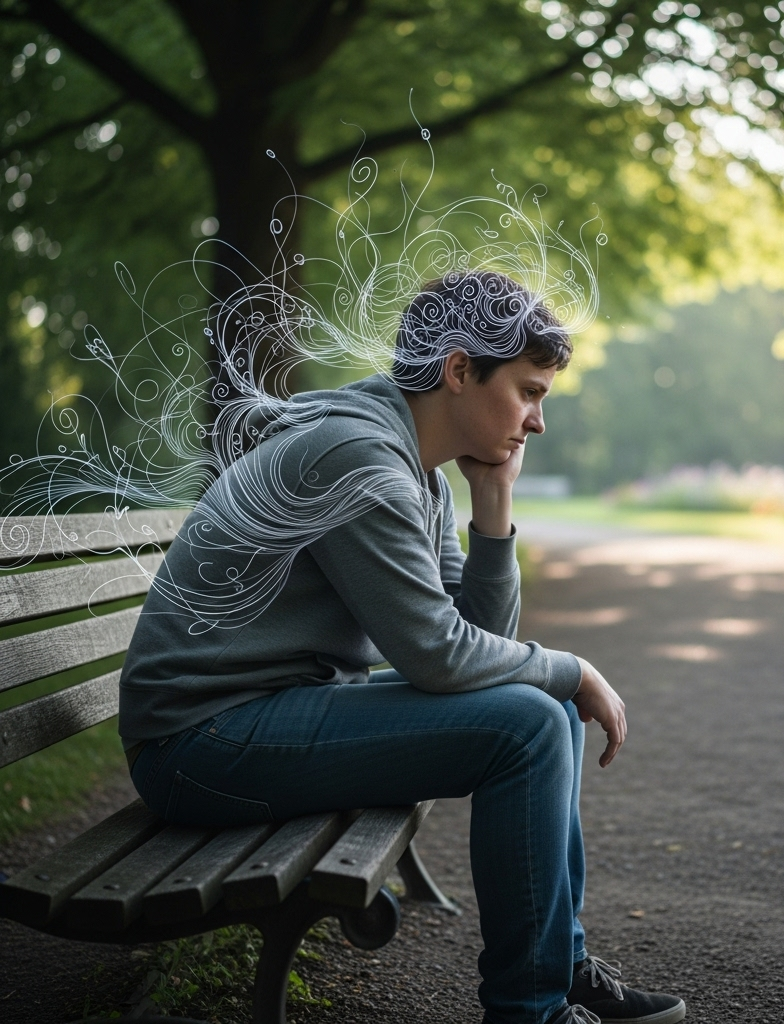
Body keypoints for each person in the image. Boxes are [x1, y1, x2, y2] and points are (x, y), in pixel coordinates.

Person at [120, 271, 686, 1024]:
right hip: (199, 745)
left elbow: (479, 643)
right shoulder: (358, 459)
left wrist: (494, 503)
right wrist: (572, 669)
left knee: (532, 711)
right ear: (459, 370)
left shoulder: (412, 471)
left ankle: (558, 971)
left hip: (261, 716)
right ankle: (533, 1008)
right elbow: (437, 655)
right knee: (529, 723)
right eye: (529, 391)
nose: (538, 421)